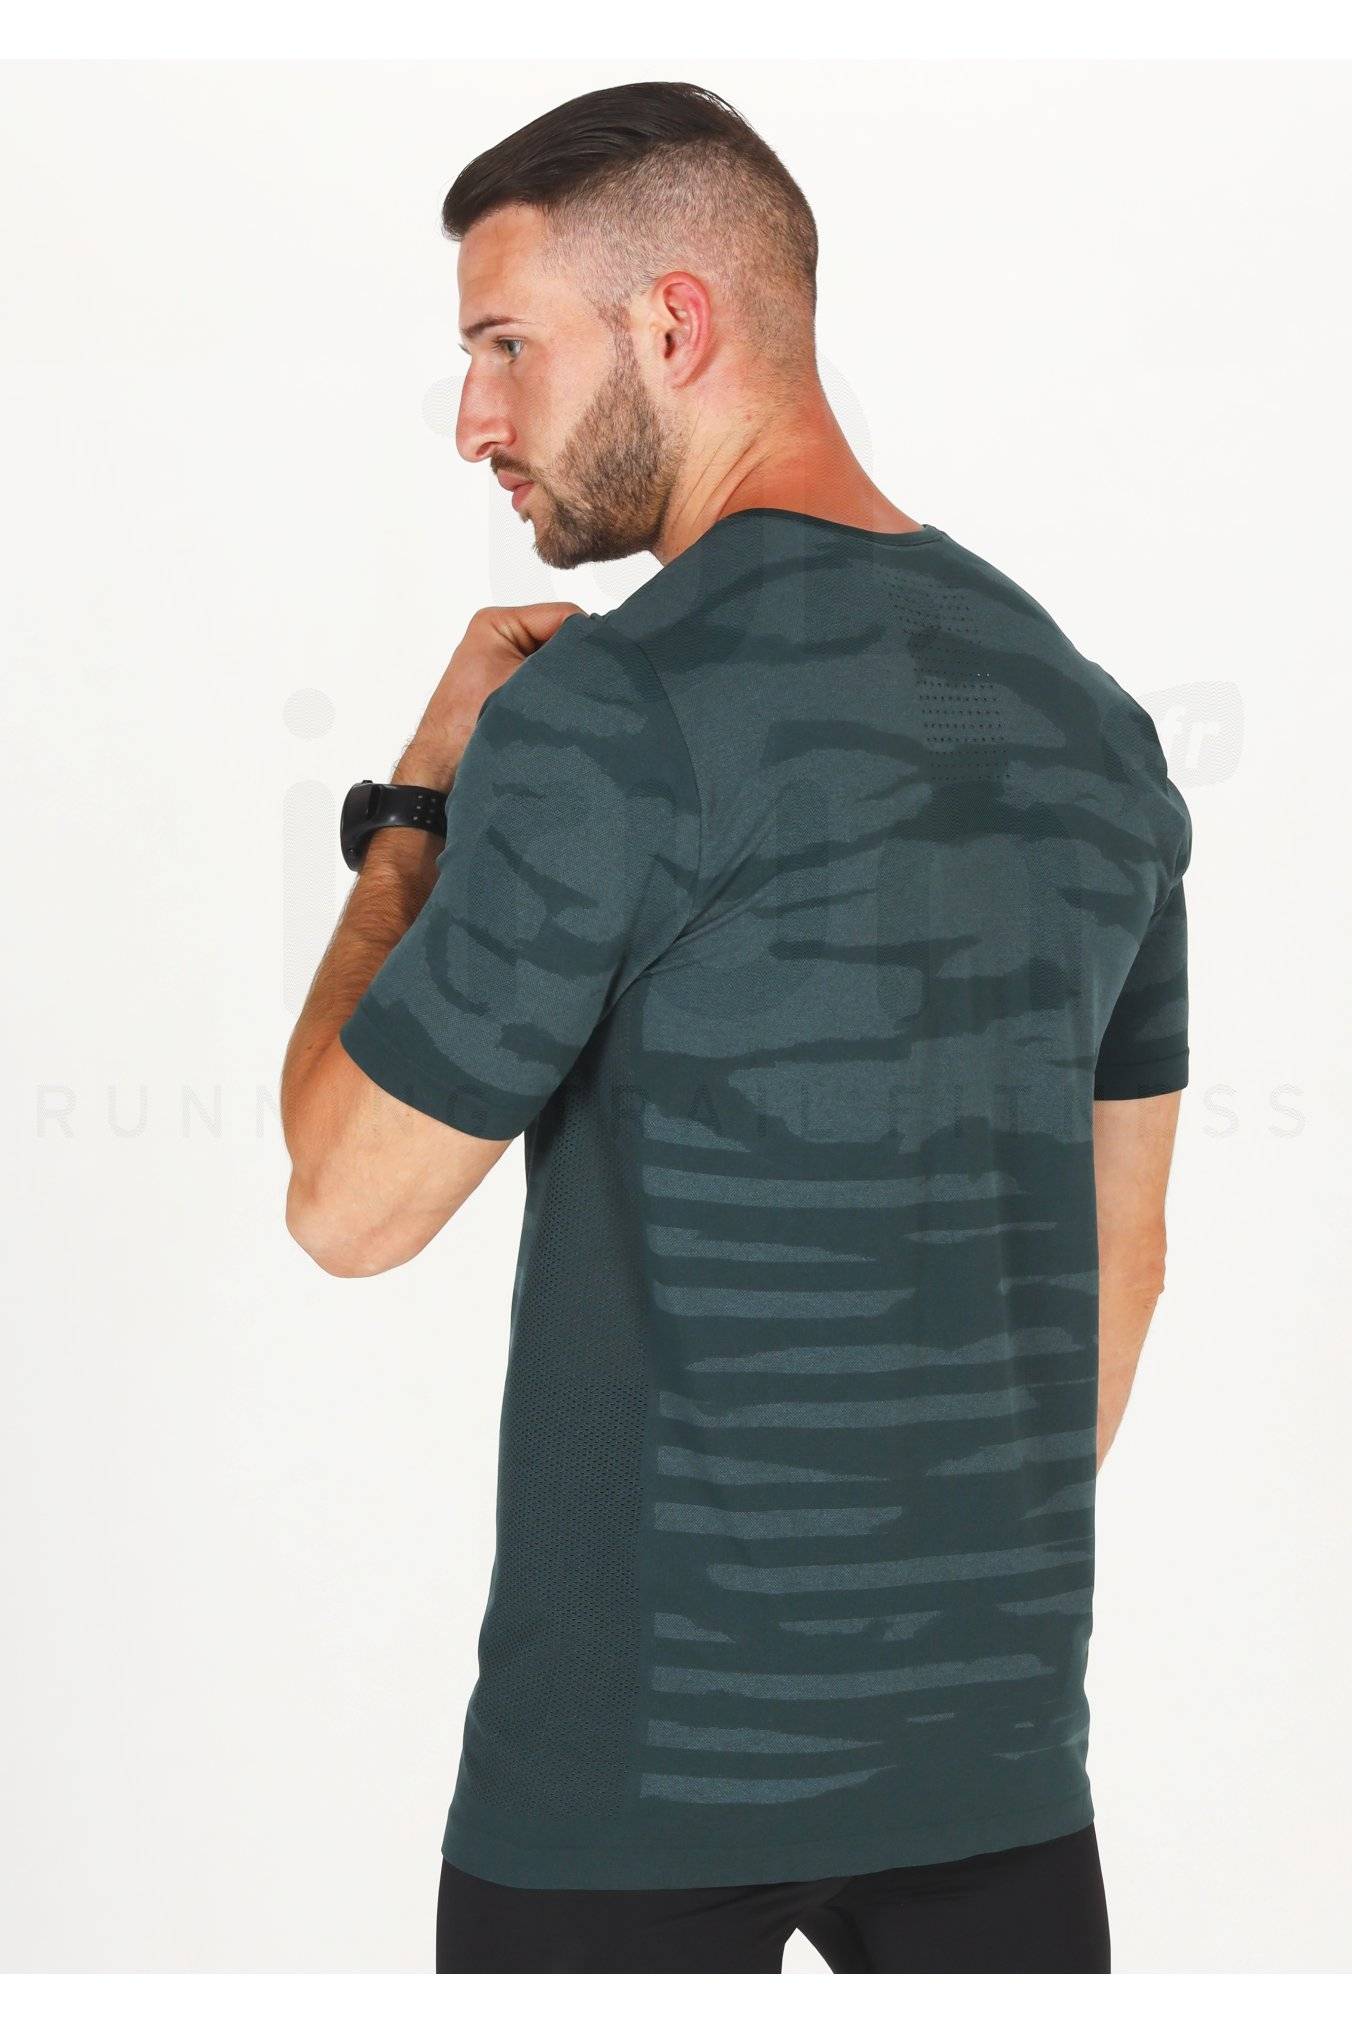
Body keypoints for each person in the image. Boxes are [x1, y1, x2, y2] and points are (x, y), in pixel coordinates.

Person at [280, 81, 1191, 1975]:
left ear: (674, 323)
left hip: (627, 1789)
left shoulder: (606, 716)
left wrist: (418, 805)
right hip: (994, 1773)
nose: (474, 419)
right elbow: (1126, 1257)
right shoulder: (1097, 732)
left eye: (505, 346)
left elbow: (346, 1205)